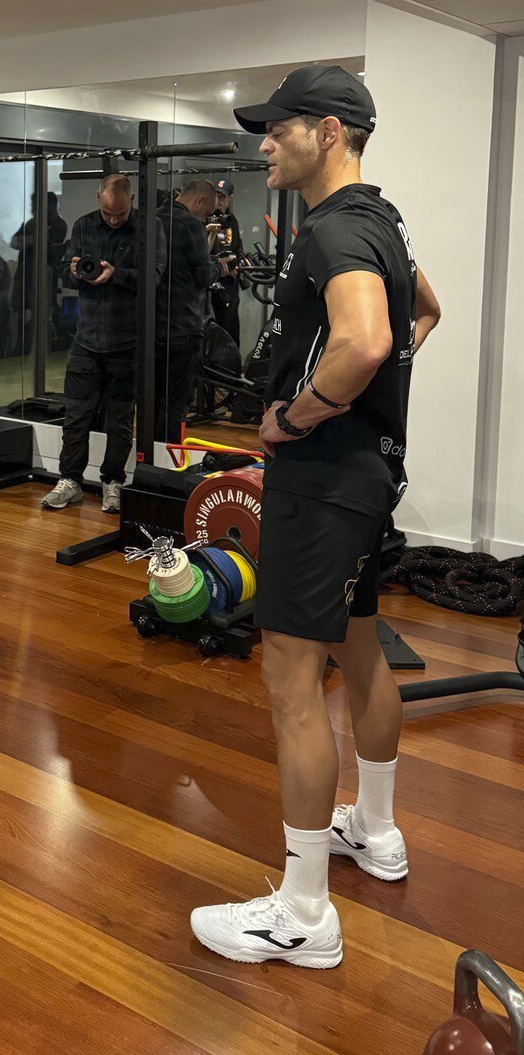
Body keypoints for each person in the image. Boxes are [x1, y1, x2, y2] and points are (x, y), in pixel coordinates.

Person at [190, 65, 441, 969]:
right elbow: (424, 312)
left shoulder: (334, 230)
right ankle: (373, 832)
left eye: (277, 129)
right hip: (369, 478)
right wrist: (372, 403)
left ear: (327, 131)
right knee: (360, 646)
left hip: (325, 480)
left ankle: (301, 914)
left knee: (290, 679)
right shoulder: (383, 219)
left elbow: (369, 339)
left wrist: (296, 416)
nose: (264, 145)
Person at [41, 174, 166, 514]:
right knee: (76, 415)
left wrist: (117, 274)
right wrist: (77, 273)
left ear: (131, 203)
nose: (113, 219)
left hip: (127, 341)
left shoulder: (148, 228)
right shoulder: (83, 226)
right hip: (87, 340)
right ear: (99, 198)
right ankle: (70, 480)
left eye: (120, 214)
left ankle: (113, 482)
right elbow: (64, 270)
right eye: (108, 213)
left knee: (120, 419)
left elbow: (155, 277)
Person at [155, 179, 227, 441]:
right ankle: (168, 465)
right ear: (199, 202)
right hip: (182, 327)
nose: (206, 216)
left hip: (151, 327)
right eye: (207, 211)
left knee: (152, 400)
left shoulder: (152, 220)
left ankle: (147, 463)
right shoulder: (190, 224)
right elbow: (204, 276)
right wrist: (220, 267)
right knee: (176, 403)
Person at [10, 191, 68, 355]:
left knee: (46, 310)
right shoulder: (32, 223)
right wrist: (32, 239)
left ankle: (55, 344)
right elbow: (14, 242)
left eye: (35, 204)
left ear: (49, 205)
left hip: (44, 277)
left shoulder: (59, 225)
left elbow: (47, 249)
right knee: (25, 312)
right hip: (25, 276)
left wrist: (30, 240)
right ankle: (23, 348)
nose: (32, 208)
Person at [209, 176, 246, 346]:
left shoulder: (232, 221)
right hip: (210, 282)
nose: (218, 201)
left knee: (230, 328)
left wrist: (238, 268)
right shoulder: (205, 220)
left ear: (230, 198)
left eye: (222, 197)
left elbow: (238, 247)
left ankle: (233, 369)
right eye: (216, 196)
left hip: (229, 284)